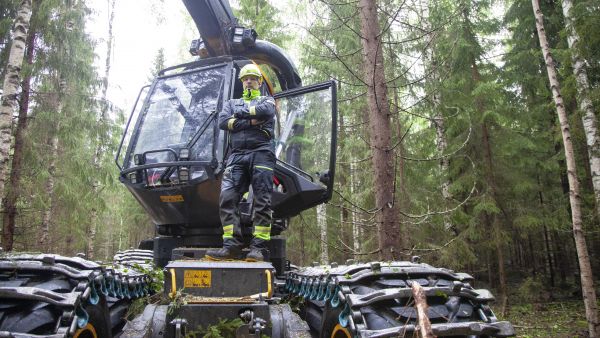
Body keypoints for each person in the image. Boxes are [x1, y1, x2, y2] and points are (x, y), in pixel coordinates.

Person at [206, 63, 276, 262]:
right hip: (236, 155)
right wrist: (252, 120)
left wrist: (240, 116)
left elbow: (267, 112)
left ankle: (258, 248)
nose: (248, 82)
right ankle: (231, 246)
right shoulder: (231, 103)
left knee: (262, 200)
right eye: (245, 79)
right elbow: (222, 122)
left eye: (253, 78)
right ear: (242, 82)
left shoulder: (267, 100)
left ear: (259, 82)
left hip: (261, 153)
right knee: (227, 197)